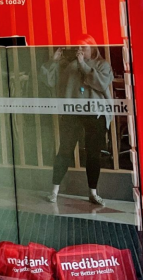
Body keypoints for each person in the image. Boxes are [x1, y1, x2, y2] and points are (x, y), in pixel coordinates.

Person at [41, 35, 114, 206]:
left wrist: (82, 64)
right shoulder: (67, 66)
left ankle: (93, 192)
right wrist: (54, 61)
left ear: (93, 48)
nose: (80, 51)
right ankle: (54, 191)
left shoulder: (102, 65)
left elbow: (101, 84)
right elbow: (49, 81)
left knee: (93, 153)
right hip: (71, 113)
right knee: (64, 151)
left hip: (95, 114)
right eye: (77, 48)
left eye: (84, 47)